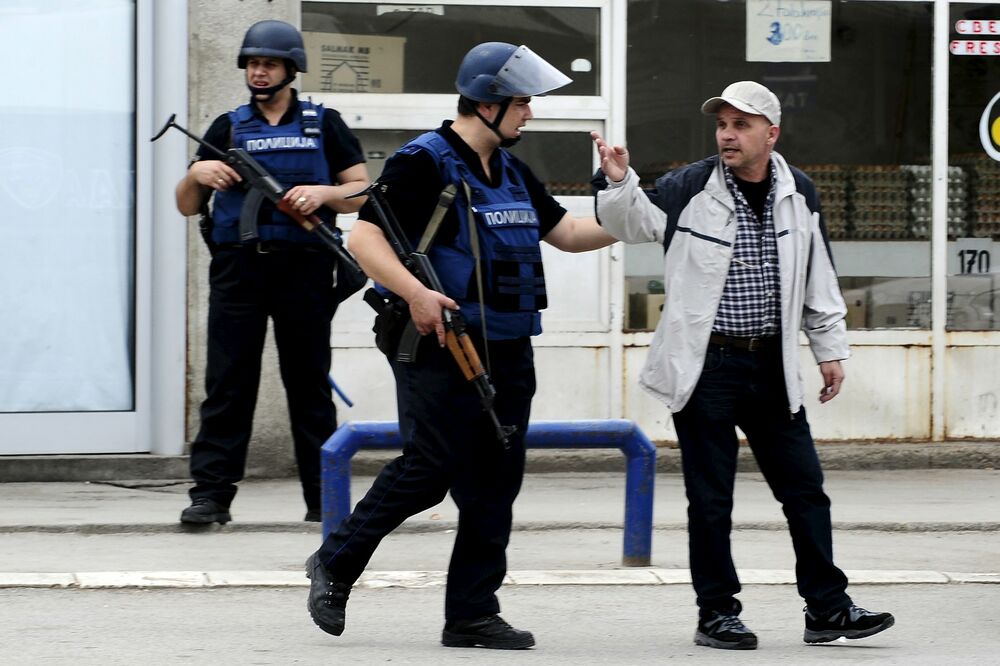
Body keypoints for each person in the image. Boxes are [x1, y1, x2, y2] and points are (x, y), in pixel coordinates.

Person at [304, 42, 617, 649]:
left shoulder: (513, 169)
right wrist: (417, 294)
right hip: (439, 342)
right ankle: (335, 562)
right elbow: (367, 241)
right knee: (428, 469)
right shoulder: (424, 162)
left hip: (508, 348)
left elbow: (573, 235)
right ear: (486, 102)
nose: (529, 114)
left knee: (495, 481)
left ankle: (472, 613)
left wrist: (643, 210)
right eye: (522, 102)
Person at [591, 81, 895, 650]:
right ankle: (717, 614)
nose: (727, 135)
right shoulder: (688, 187)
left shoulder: (798, 190)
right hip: (708, 367)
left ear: (771, 134)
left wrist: (830, 349)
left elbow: (818, 277)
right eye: (722, 125)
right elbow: (629, 224)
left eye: (741, 125)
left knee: (806, 490)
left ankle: (827, 608)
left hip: (771, 364)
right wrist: (617, 181)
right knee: (712, 498)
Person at [174, 20, 369, 525]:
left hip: (304, 266)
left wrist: (325, 194)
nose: (259, 72)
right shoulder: (228, 126)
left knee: (307, 385)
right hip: (239, 268)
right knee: (228, 383)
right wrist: (196, 174)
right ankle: (211, 496)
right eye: (253, 63)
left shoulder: (324, 124)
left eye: (269, 63)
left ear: (290, 69)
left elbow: (363, 192)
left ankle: (324, 498)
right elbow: (185, 205)